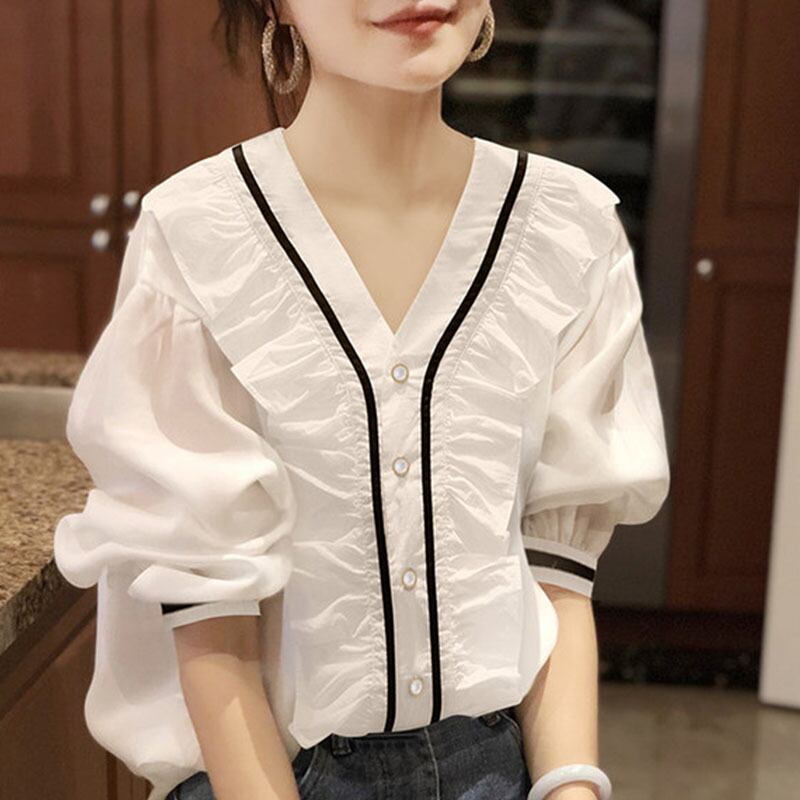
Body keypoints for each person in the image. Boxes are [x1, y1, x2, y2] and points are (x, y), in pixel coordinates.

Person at [53, 2, 670, 799]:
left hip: (498, 768)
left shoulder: (568, 230)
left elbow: (557, 573)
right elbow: (210, 618)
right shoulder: (199, 237)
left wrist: (572, 790)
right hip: (268, 774)